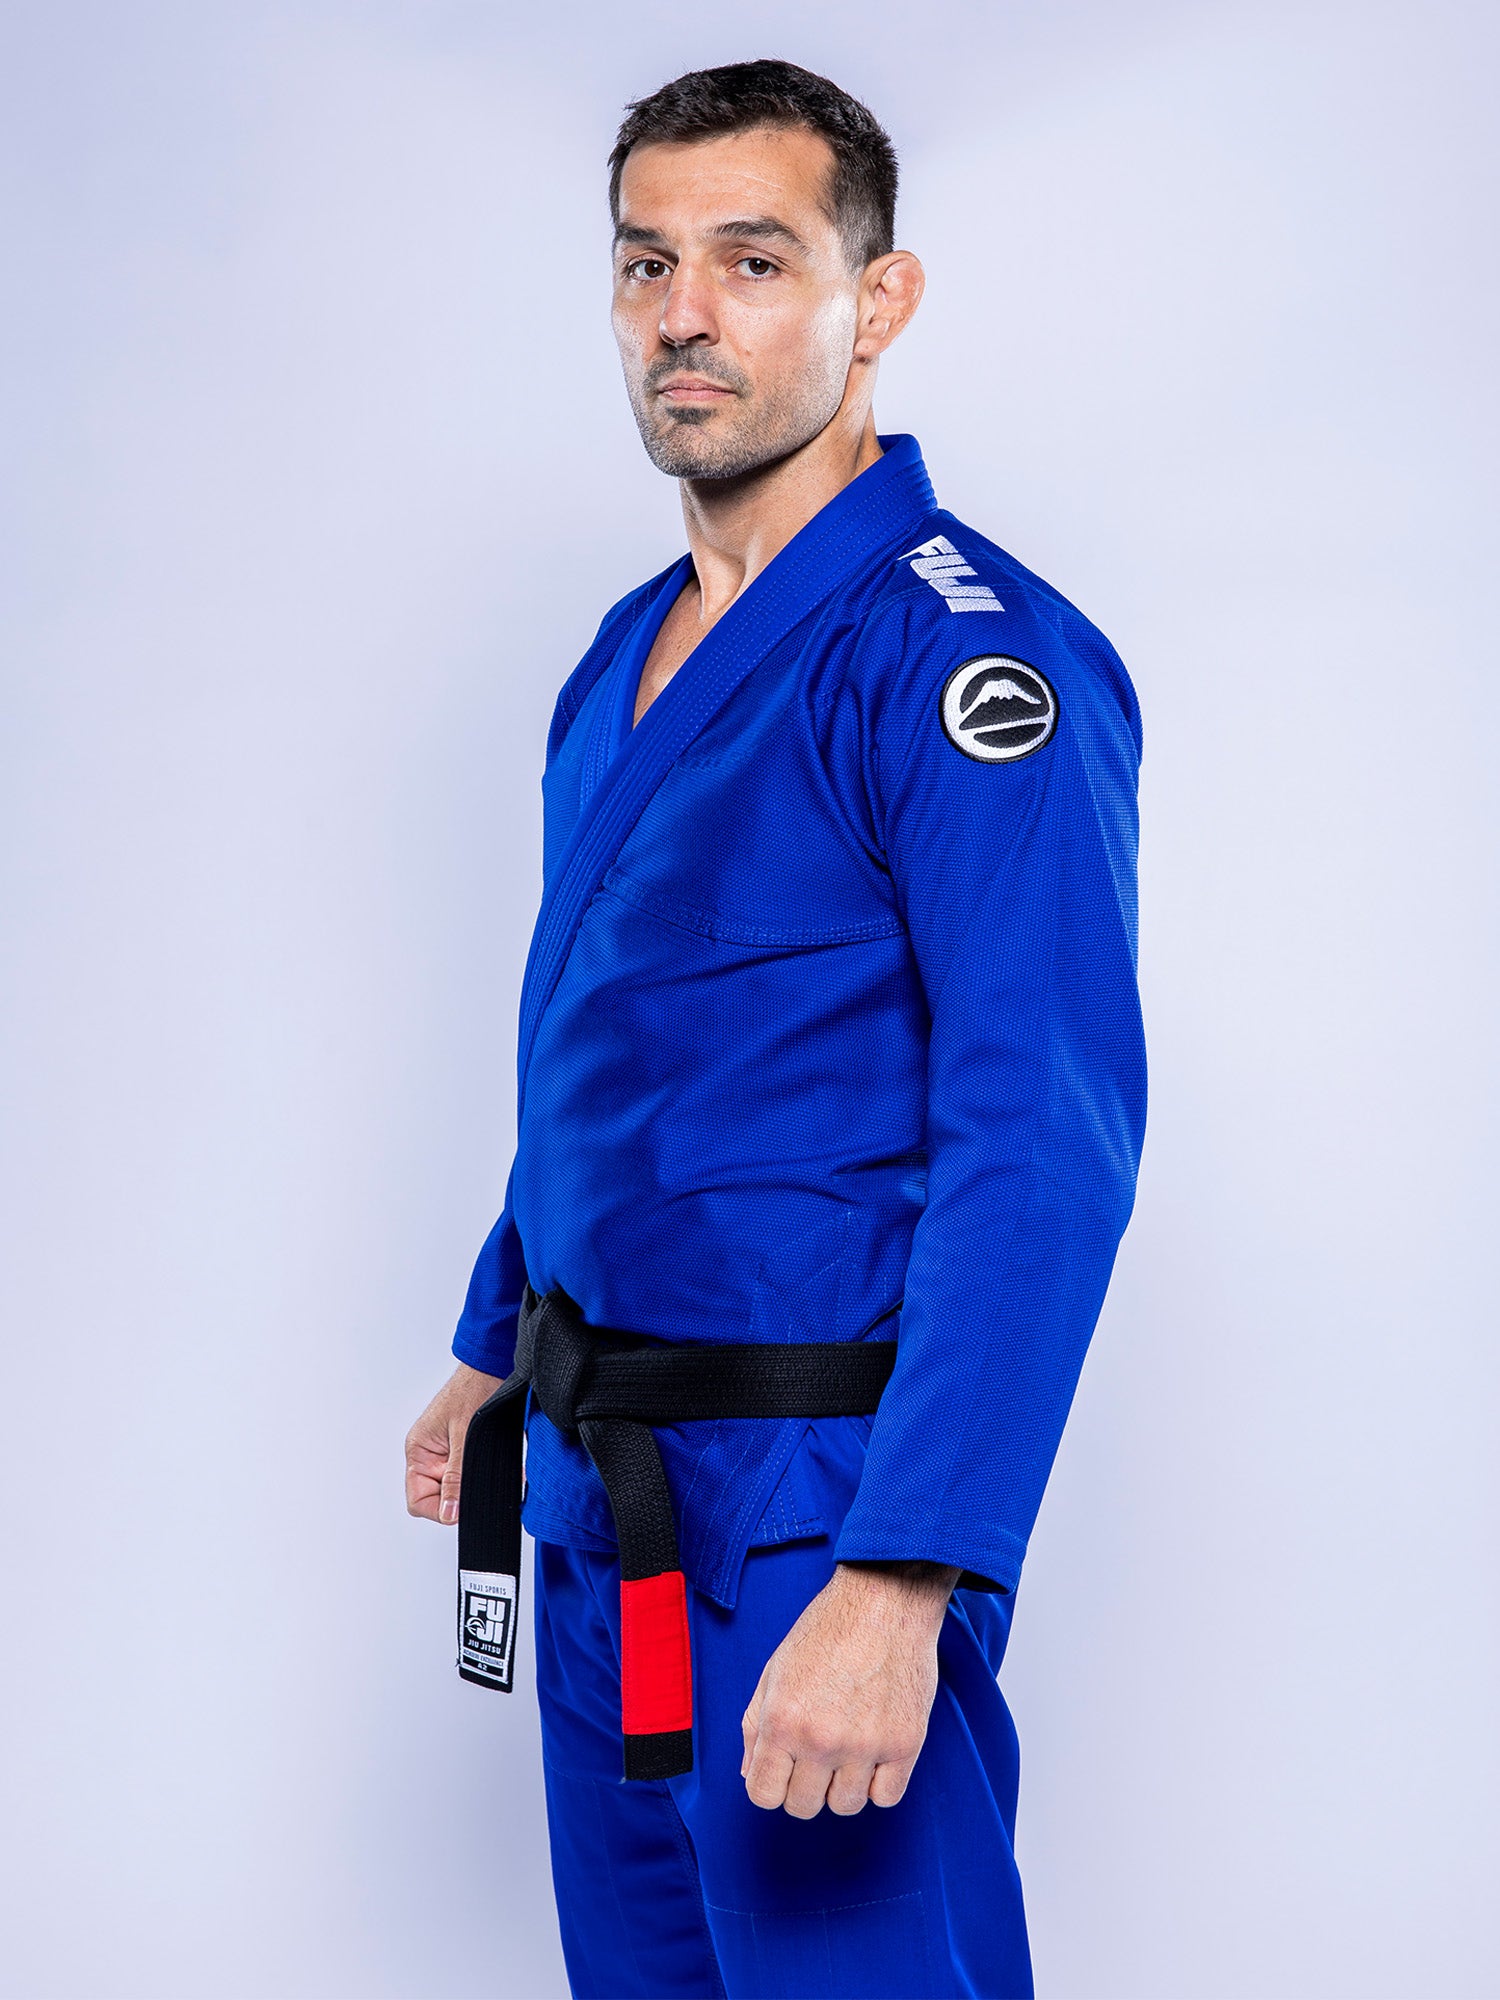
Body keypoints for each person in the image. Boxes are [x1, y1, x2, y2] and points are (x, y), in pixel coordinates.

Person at [405, 58, 1145, 2000]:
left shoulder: (966, 662)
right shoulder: (617, 660)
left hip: (816, 1513)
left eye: (752, 258)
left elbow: (1039, 1144)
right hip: (597, 1501)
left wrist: (906, 1576)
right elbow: (609, 1048)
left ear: (876, 302)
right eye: (647, 263)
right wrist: (501, 1340)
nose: (684, 314)